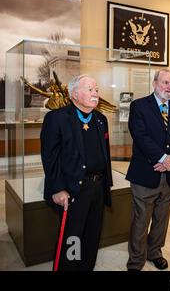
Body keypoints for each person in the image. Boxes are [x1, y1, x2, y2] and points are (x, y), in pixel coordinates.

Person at [41, 74, 113, 271]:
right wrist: (58, 189)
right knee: (72, 239)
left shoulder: (100, 119)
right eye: (89, 89)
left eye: (96, 89)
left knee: (91, 237)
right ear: (74, 94)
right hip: (72, 190)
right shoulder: (56, 119)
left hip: (98, 188)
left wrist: (107, 186)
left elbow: (104, 154)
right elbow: (49, 158)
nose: (95, 93)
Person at [126, 69, 170, 271]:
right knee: (141, 219)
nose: (169, 87)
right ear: (154, 84)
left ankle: (154, 252)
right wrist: (163, 158)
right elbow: (140, 136)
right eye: (165, 83)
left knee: (162, 217)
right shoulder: (139, 106)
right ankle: (136, 261)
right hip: (146, 174)